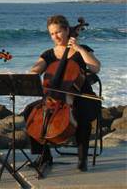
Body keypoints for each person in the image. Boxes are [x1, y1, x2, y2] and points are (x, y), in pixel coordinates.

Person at [24, 15, 101, 172]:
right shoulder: (48, 54)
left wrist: (78, 48)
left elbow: (95, 67)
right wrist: (31, 73)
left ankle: (82, 159)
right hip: (54, 98)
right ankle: (44, 155)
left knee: (82, 114)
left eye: (58, 32)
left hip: (82, 96)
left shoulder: (82, 50)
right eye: (52, 34)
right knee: (29, 112)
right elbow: (35, 70)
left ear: (67, 30)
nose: (55, 37)